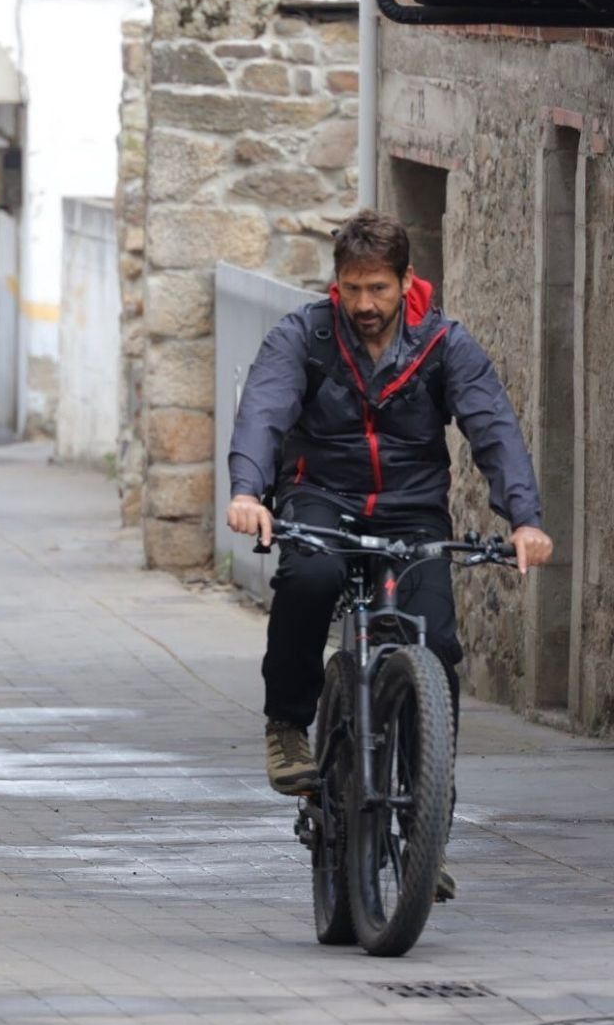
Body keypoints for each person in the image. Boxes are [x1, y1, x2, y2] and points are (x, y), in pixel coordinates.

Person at [226, 211, 551, 891]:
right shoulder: (304, 337)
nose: (366, 305)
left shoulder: (444, 344)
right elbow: (265, 408)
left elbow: (493, 427)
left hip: (411, 510)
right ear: (334, 285)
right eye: (352, 289)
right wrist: (250, 490)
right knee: (310, 578)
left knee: (436, 648)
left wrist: (524, 518)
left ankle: (428, 829)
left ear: (407, 281)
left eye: (378, 288)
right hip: (323, 498)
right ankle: (288, 723)